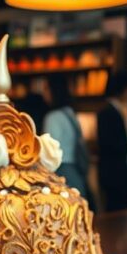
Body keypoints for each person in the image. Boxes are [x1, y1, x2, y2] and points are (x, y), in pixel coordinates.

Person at [43, 74, 91, 202]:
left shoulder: (53, 117)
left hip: (60, 171)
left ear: (54, 90)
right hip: (75, 171)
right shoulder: (70, 113)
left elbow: (49, 152)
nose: (44, 93)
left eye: (46, 89)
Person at [97, 72, 127, 212]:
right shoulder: (108, 111)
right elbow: (110, 143)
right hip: (115, 173)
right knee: (118, 211)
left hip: (119, 170)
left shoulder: (119, 110)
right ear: (123, 89)